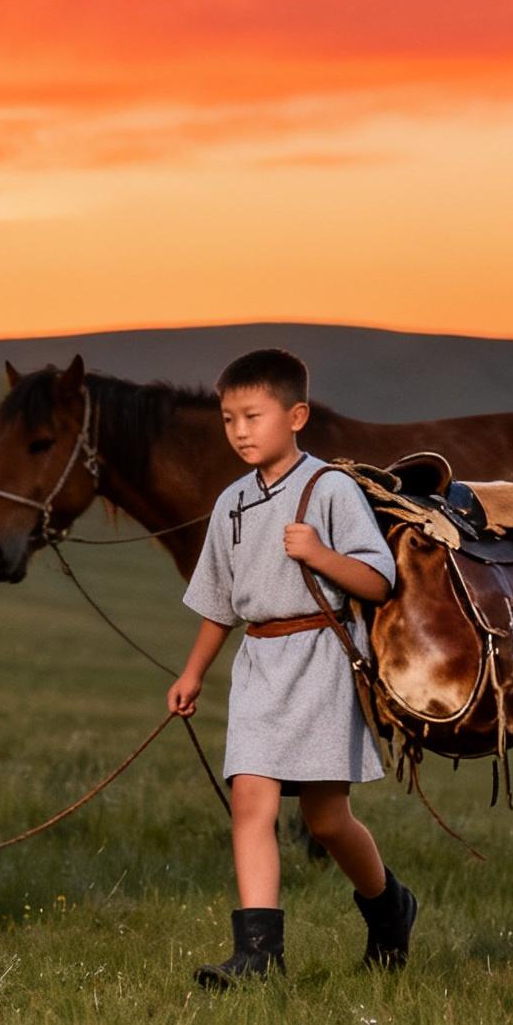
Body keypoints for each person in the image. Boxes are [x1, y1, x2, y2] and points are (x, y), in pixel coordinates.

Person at [168, 347, 419, 986]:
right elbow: (219, 604)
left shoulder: (327, 488)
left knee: (327, 819)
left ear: (297, 415)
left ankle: (391, 908)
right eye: (229, 420)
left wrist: (318, 553)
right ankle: (258, 957)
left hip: (321, 658)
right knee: (250, 800)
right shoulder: (230, 503)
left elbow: (377, 580)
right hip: (259, 662)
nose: (240, 431)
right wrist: (192, 673)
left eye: (253, 416)